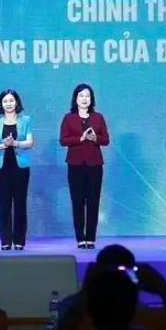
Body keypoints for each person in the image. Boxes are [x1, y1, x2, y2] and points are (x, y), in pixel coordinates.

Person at [59, 83, 110, 249]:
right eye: (81, 96)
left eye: (87, 96)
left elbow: (106, 140)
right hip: (75, 164)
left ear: (91, 98)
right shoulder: (68, 118)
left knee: (93, 201)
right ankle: (80, 238)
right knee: (78, 201)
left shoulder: (98, 117)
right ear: (76, 98)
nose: (84, 99)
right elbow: (63, 140)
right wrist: (80, 138)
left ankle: (91, 238)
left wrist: (95, 138)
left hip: (95, 164)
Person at [0, 89, 34, 250]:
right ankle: (6, 241)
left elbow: (30, 142)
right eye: (5, 101)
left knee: (20, 204)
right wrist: (3, 145)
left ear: (16, 102)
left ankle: (19, 241)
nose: (8, 103)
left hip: (20, 167)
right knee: (4, 204)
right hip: (1, 167)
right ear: (1, 103)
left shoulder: (25, 120)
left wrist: (15, 144)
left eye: (11, 100)